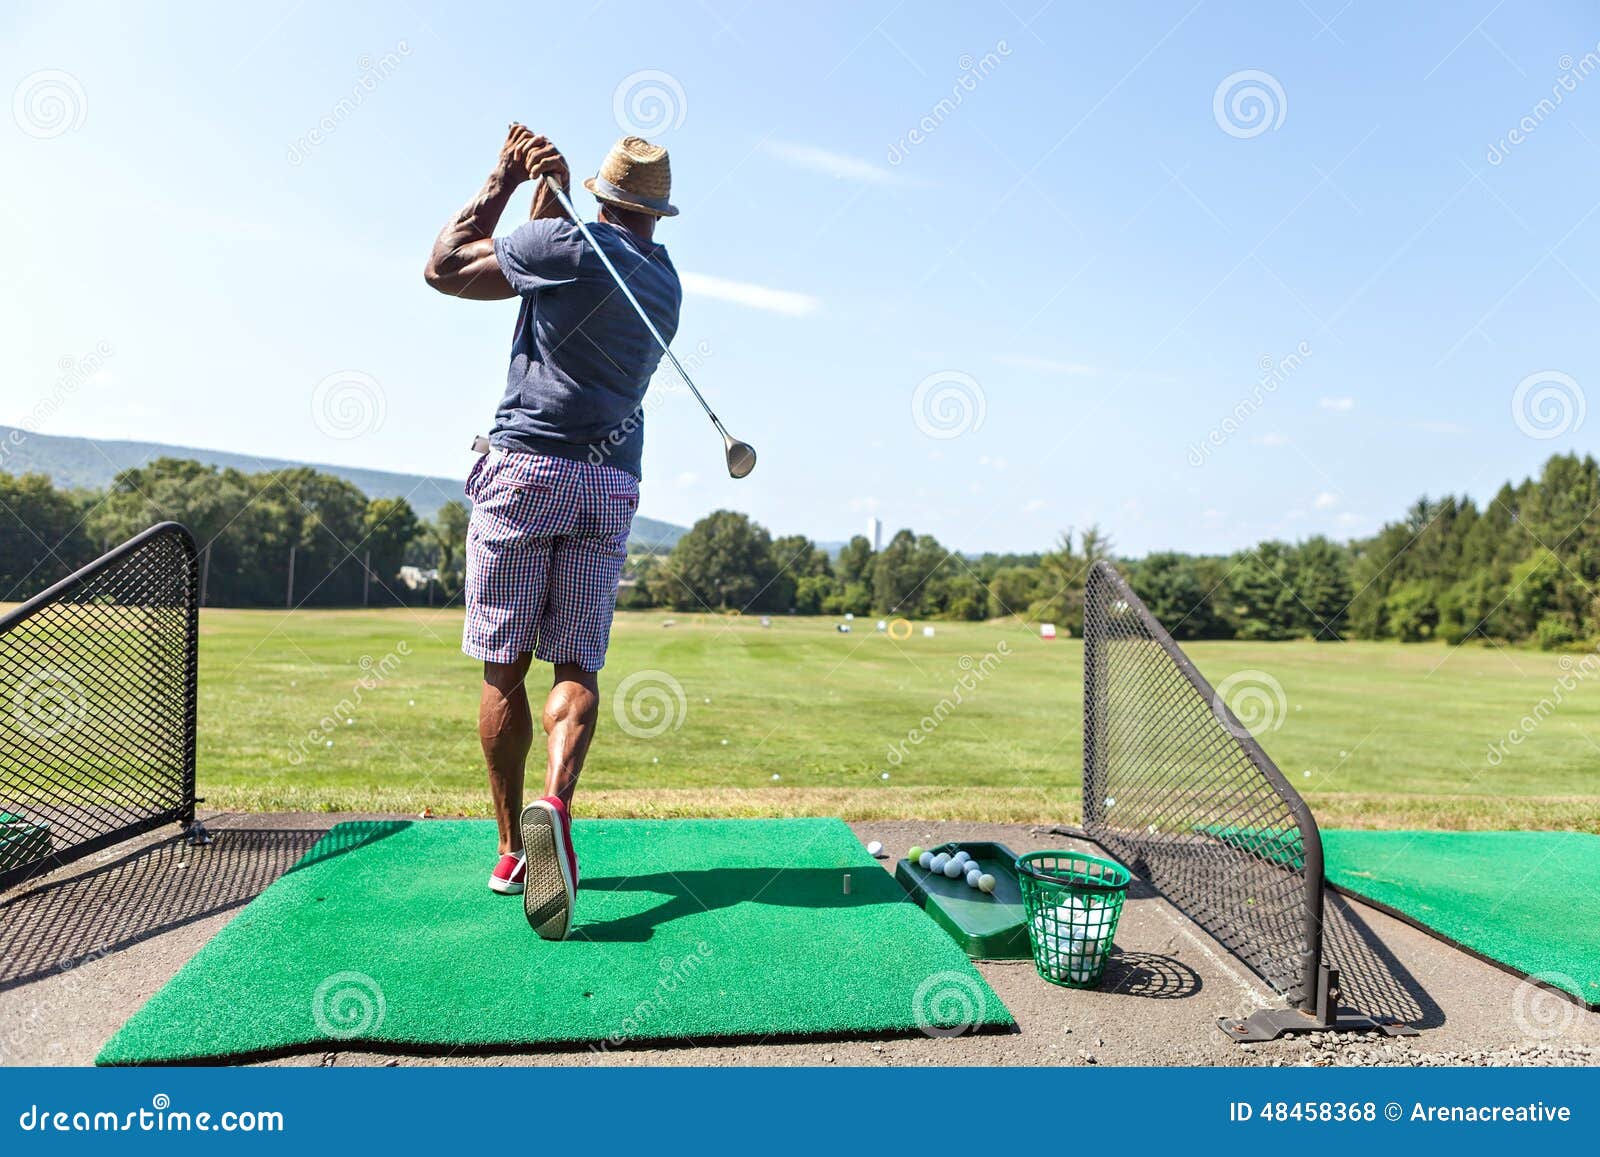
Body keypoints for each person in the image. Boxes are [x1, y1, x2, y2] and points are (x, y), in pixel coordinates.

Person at [423, 125, 682, 939]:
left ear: (604, 199)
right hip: (608, 482)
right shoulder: (665, 280)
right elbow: (547, 270)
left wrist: (503, 176)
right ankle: (555, 803)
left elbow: (444, 269)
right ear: (658, 214)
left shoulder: (571, 242)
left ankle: (509, 851)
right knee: (578, 661)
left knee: (505, 669)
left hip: (527, 469)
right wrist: (552, 196)